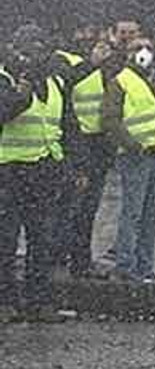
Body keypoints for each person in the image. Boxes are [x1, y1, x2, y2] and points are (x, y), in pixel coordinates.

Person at [0, 24, 72, 322]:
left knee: (42, 240)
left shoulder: (55, 83)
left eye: (38, 49)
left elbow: (67, 127)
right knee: (5, 240)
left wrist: (71, 167)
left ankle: (39, 303)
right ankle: (5, 302)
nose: (31, 56)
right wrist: (22, 94)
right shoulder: (4, 80)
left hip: (43, 171)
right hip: (8, 171)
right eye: (26, 49)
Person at [102, 35, 155, 283]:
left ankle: (144, 267)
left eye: (149, 47)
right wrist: (132, 146)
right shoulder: (120, 81)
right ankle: (125, 266)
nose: (144, 52)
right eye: (137, 48)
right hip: (136, 157)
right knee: (133, 213)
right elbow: (110, 120)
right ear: (127, 53)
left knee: (151, 216)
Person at [57, 31, 115, 279]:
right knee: (74, 207)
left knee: (88, 208)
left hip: (98, 146)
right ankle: (70, 260)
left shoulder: (106, 69)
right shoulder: (65, 62)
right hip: (78, 145)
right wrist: (91, 64)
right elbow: (66, 88)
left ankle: (78, 260)